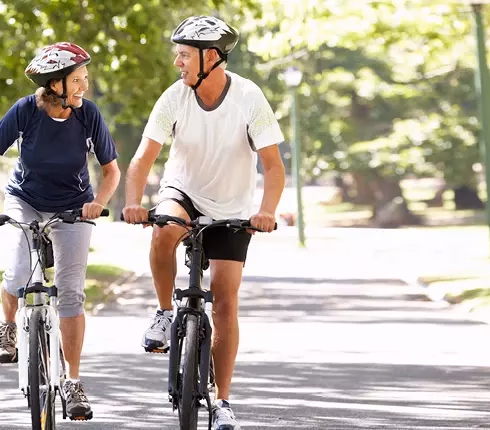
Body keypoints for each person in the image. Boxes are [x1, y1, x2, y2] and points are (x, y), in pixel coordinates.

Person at [121, 16, 286, 430]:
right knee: (164, 231)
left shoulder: (249, 97)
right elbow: (143, 158)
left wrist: (265, 211)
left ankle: (224, 402)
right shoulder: (174, 98)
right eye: (177, 54)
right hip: (184, 193)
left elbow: (273, 165)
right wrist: (133, 203)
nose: (178, 63)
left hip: (232, 208)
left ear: (211, 57)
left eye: (184, 55)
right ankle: (163, 312)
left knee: (227, 300)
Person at [0, 41, 120, 421]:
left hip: (74, 205)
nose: (85, 86)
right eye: (79, 80)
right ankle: (7, 327)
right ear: (55, 84)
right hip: (26, 200)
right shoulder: (25, 111)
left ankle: (72, 381)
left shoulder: (88, 115)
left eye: (86, 78)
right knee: (18, 272)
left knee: (70, 291)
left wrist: (97, 202)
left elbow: (111, 170)